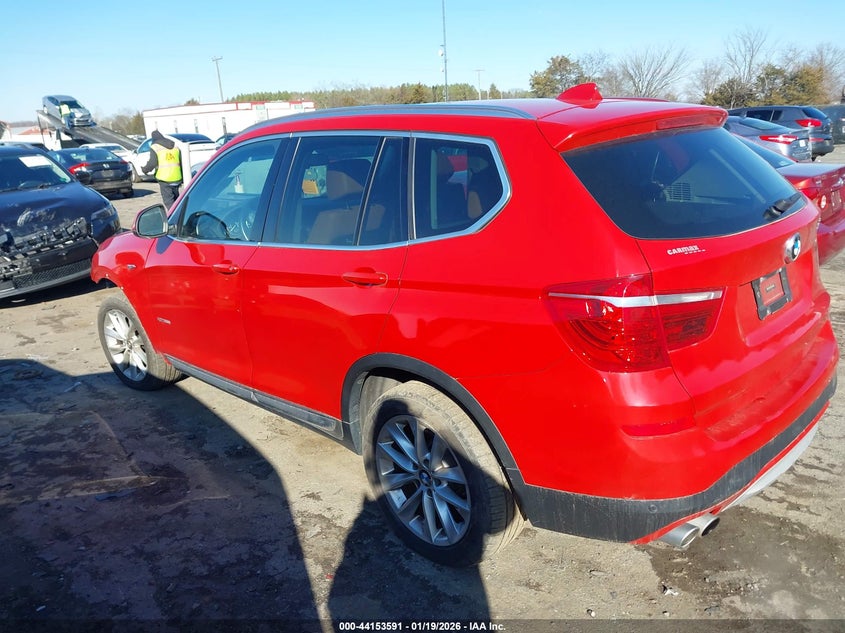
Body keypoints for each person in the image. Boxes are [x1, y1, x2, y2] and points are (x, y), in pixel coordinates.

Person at [143, 130, 183, 209]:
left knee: (169, 202)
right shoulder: (174, 146)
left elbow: (152, 163)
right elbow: (181, 162)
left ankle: (174, 216)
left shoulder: (155, 147)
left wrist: (145, 169)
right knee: (177, 201)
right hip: (177, 177)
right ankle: (180, 213)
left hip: (165, 179)